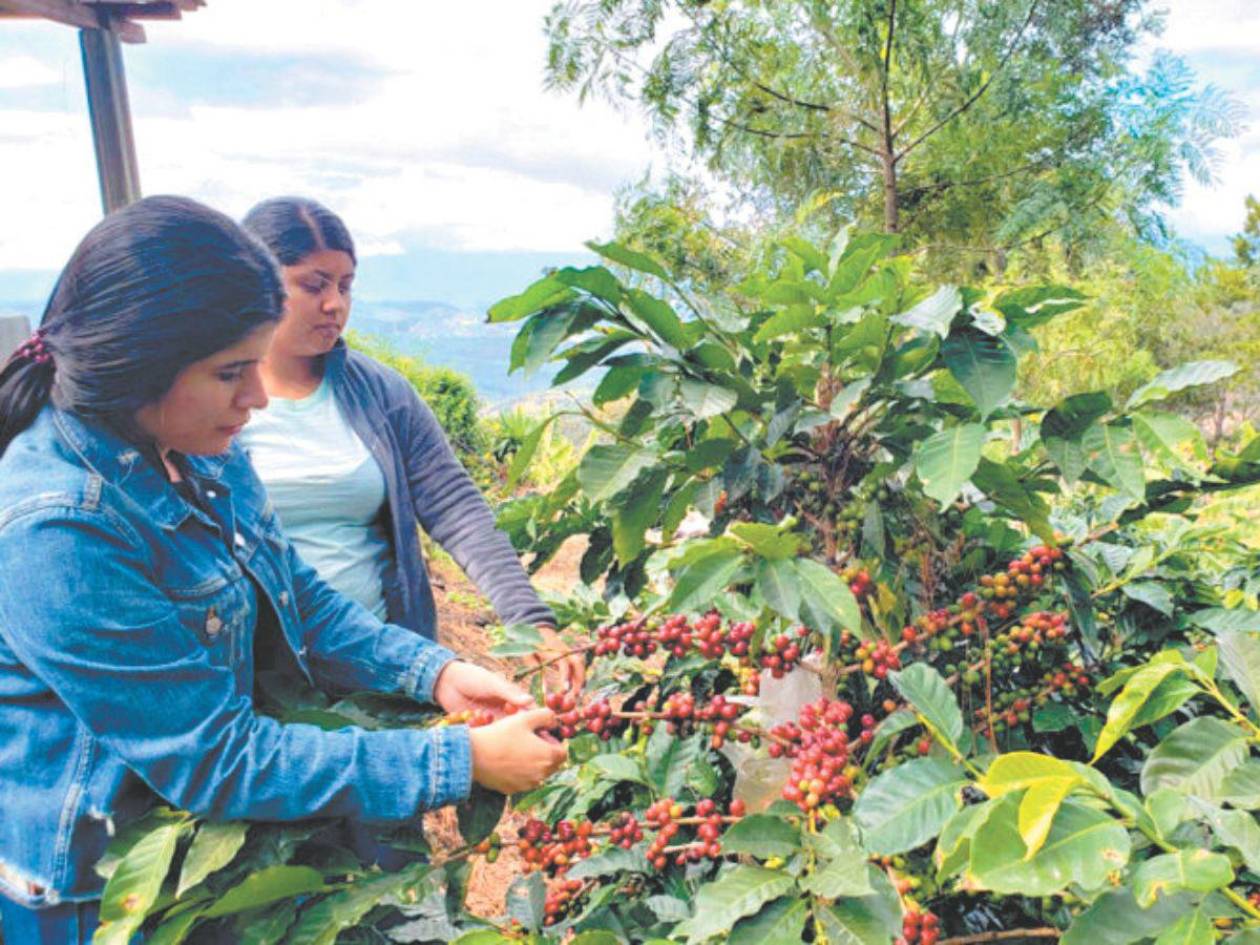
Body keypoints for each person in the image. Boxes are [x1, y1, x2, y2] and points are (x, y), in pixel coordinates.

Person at [0, 196, 567, 944]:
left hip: (216, 859)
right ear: (137, 364)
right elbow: (216, 756)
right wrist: (457, 758)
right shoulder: (62, 527)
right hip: (101, 898)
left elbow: (297, 594)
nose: (258, 397)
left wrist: (434, 673)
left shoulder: (201, 449)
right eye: (233, 371)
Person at [237, 198, 583, 691]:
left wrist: (527, 617)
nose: (334, 304)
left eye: (345, 286)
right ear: (257, 282)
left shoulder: (380, 394)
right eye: (313, 285)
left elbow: (456, 506)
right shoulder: (213, 407)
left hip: (386, 667)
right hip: (258, 682)